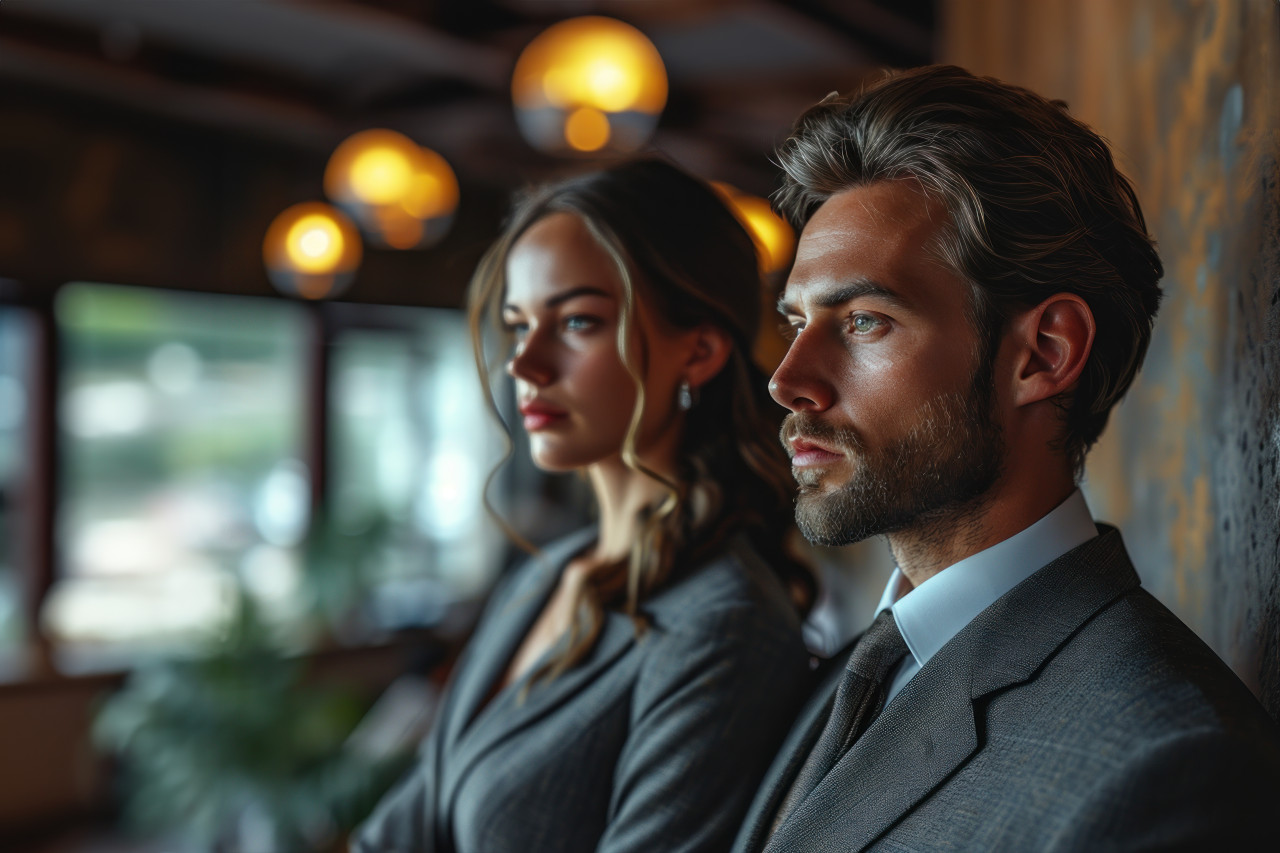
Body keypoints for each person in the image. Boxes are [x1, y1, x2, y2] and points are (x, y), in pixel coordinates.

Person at [732, 65, 1280, 852]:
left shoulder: (1172, 766)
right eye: (796, 323)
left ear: (1045, 353)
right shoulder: (868, 665)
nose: (788, 382)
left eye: (863, 321)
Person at [351, 158, 814, 853]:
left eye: (576, 322)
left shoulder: (724, 626)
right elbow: (401, 827)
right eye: (518, 324)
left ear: (700, 350)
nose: (525, 364)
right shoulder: (545, 574)